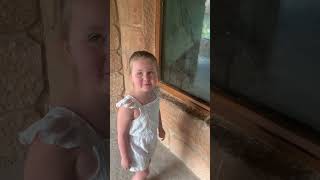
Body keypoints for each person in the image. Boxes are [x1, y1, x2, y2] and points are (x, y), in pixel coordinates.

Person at [18, 0, 109, 179]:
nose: (114, 50)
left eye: (121, 33)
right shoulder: (55, 145)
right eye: (95, 37)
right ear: (69, 49)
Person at [116, 51, 166, 180]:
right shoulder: (128, 106)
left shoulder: (154, 94)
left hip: (148, 144)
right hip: (136, 149)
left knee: (146, 166)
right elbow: (122, 134)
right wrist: (125, 157)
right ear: (131, 77)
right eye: (139, 73)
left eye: (150, 72)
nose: (146, 77)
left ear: (157, 74)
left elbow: (156, 111)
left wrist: (160, 127)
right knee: (143, 173)